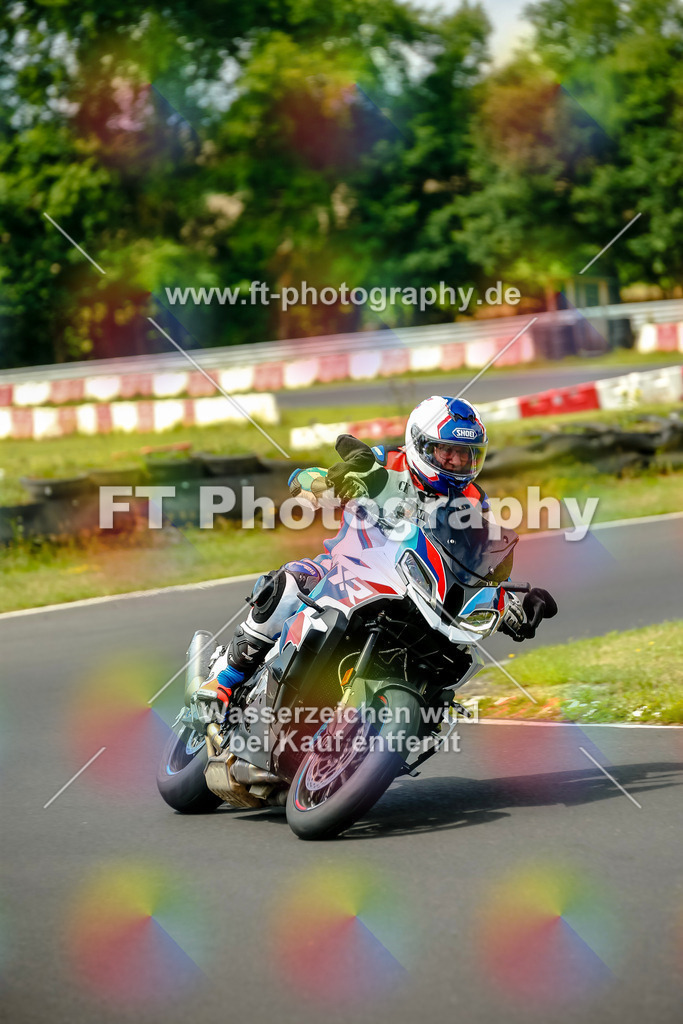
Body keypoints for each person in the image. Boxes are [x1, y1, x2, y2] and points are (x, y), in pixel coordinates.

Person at [202, 396, 556, 708]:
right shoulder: (385, 461)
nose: (454, 463)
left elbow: (480, 561)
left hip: (419, 591)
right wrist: (331, 482)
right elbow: (307, 480)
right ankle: (226, 676)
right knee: (292, 581)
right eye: (446, 451)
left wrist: (510, 599)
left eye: (464, 455)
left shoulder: (474, 500)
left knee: (452, 657)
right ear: (420, 445)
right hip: (350, 568)